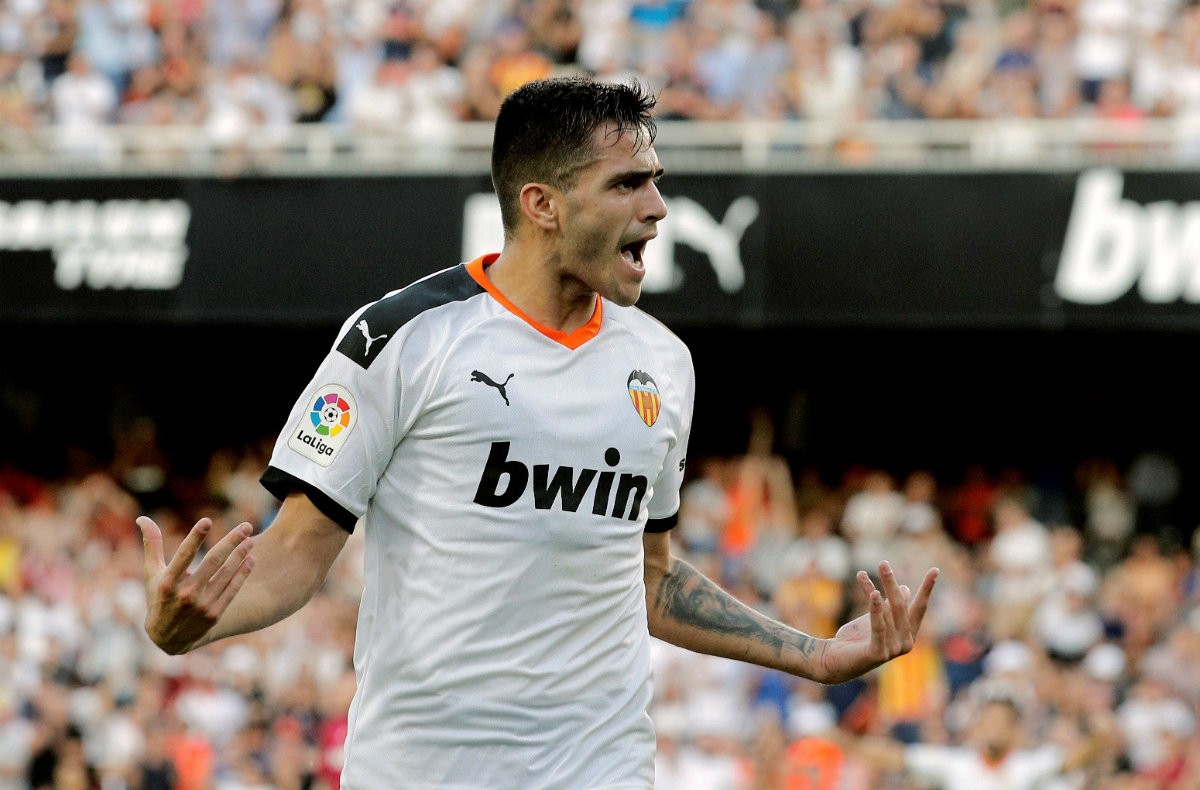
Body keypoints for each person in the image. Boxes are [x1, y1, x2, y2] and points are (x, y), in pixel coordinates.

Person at [133, 77, 939, 790]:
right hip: (424, 769)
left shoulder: (664, 362)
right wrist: (190, 625)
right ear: (543, 205)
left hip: (603, 764)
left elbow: (646, 578)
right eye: (629, 184)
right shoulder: (403, 336)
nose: (658, 209)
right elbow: (296, 550)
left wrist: (812, 653)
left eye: (656, 181)